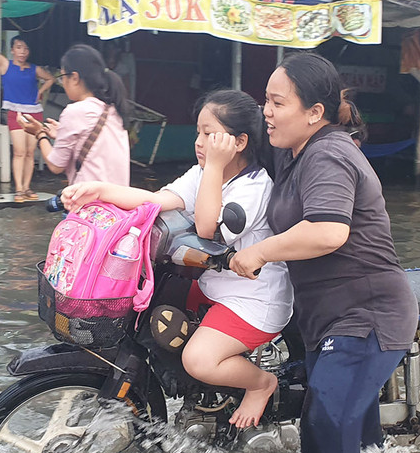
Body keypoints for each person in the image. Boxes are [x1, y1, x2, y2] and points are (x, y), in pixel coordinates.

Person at [229, 53, 416, 453]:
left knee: (325, 425)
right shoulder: (295, 151)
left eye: (277, 103)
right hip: (327, 319)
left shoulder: (328, 153)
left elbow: (329, 231)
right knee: (357, 440)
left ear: (315, 113)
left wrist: (260, 253)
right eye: (265, 102)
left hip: (365, 315)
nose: (267, 113)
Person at [60, 90, 292, 428]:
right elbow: (157, 199)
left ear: (238, 142)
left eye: (209, 134)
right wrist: (98, 190)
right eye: (198, 132)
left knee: (198, 360)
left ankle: (261, 383)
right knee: (146, 306)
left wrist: (212, 166)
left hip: (254, 299)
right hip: (216, 285)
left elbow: (207, 225)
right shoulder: (204, 173)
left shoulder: (254, 187)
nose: (199, 142)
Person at [23, 44, 130, 188]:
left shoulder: (76, 111)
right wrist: (61, 133)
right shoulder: (112, 109)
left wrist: (40, 133)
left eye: (62, 77)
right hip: (119, 204)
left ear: (74, 77)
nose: (63, 83)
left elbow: (56, 165)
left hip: (91, 206)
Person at [0, 20, 55, 201]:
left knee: (30, 152)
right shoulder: (5, 65)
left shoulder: (34, 69)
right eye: (19, 48)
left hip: (34, 112)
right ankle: (19, 188)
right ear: (12, 50)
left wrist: (40, 92)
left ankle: (27, 188)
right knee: (19, 151)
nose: (22, 52)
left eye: (25, 49)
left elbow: (51, 79)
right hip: (15, 113)